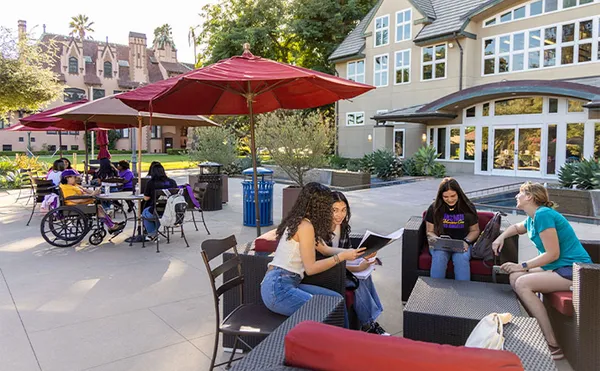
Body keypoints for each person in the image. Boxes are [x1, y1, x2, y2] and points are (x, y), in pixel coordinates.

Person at [492, 182, 592, 360]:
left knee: (522, 281)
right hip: (557, 267)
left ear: (529, 197)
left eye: (520, 193)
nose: (517, 196)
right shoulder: (532, 218)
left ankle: (552, 343)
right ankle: (535, 327)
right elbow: (516, 228)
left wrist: (522, 265)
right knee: (515, 276)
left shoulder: (543, 215)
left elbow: (553, 254)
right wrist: (500, 237)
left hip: (574, 271)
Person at [260, 182, 365, 327]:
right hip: (278, 289)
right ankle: (340, 346)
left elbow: (325, 250)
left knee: (337, 300)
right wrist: (341, 257)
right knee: (329, 310)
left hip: (287, 283)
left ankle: (345, 342)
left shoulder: (302, 222)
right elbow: (311, 268)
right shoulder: (305, 226)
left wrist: (354, 253)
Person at [329, 191, 388, 335]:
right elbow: (332, 262)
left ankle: (370, 321)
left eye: (343, 210)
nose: (340, 215)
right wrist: (356, 267)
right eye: (335, 210)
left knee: (365, 273)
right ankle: (368, 325)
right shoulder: (321, 232)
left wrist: (366, 255)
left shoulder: (342, 227)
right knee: (357, 280)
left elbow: (347, 251)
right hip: (328, 272)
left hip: (340, 266)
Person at [425, 177, 479, 281]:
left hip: (462, 243)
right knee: (439, 256)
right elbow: (429, 231)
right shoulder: (434, 208)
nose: (450, 199)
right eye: (446, 197)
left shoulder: (468, 207)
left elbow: (475, 230)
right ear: (441, 196)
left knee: (461, 258)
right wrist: (437, 240)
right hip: (441, 245)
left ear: (458, 193)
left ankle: (463, 291)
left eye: (453, 196)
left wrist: (466, 241)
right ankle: (436, 290)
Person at [59, 169, 125, 234]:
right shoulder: (66, 188)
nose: (76, 178)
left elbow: (85, 190)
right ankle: (111, 225)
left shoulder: (74, 185)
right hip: (75, 206)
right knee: (98, 208)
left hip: (82, 204)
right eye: (74, 177)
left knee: (99, 207)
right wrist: (92, 195)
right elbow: (76, 200)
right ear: (67, 178)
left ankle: (111, 224)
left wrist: (95, 192)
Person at [142, 162, 177, 240]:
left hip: (156, 210)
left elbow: (146, 198)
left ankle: (152, 234)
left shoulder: (151, 183)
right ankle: (153, 233)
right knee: (155, 215)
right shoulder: (172, 182)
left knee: (145, 213)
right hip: (170, 211)